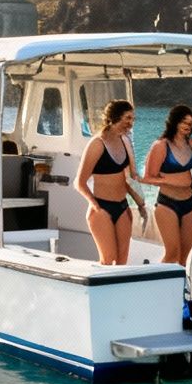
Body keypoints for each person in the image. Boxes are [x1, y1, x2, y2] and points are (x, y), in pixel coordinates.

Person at [140, 105, 192, 266]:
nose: (188, 126)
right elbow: (147, 177)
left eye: (190, 123)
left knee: (183, 258)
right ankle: (158, 286)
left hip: (189, 205)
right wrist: (170, 181)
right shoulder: (160, 146)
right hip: (167, 204)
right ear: (174, 122)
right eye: (184, 122)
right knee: (172, 253)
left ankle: (179, 290)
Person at [76, 99, 145, 265]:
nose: (131, 123)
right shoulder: (97, 144)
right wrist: (94, 205)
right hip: (101, 208)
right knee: (108, 259)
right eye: (128, 118)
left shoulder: (125, 141)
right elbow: (79, 182)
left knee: (122, 261)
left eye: (133, 119)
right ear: (115, 117)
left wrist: (140, 204)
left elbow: (129, 178)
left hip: (122, 207)